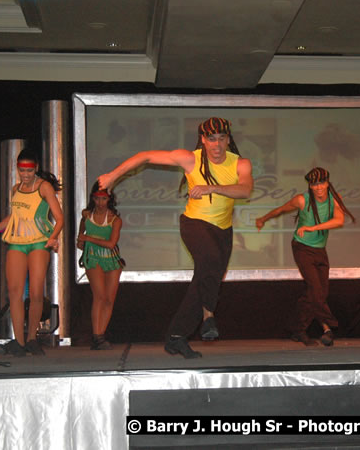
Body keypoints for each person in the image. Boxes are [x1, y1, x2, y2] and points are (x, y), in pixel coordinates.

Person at [98, 117, 253, 359]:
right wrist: (112, 176)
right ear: (203, 140)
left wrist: (212, 188)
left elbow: (245, 189)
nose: (217, 145)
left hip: (222, 230)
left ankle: (177, 336)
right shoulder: (190, 158)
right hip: (194, 224)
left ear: (228, 139)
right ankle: (208, 316)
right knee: (210, 263)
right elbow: (145, 156)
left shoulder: (240, 164)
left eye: (222, 139)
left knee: (205, 278)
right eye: (211, 139)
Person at [255, 167, 356, 347]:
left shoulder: (334, 199)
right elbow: (280, 209)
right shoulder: (302, 200)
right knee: (315, 288)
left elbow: (339, 220)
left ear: (327, 183)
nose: (318, 188)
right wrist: (263, 218)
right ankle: (330, 325)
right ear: (310, 185)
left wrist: (312, 228)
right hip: (302, 248)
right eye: (314, 184)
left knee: (318, 292)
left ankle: (298, 329)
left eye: (321, 183)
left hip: (319, 250)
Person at [0, 149, 64, 357]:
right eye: (21, 170)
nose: (24, 174)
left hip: (38, 242)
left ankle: (32, 339)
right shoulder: (16, 188)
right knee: (15, 292)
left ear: (35, 169)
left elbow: (59, 218)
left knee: (36, 292)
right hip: (17, 241)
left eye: (28, 170)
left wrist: (53, 237)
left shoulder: (43, 187)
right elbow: (13, 217)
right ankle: (18, 341)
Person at [77, 182, 124, 350]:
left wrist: (88, 239)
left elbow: (112, 243)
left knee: (109, 299)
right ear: (93, 199)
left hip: (111, 258)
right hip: (93, 257)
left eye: (103, 199)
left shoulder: (114, 219)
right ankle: (96, 335)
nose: (100, 202)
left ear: (109, 199)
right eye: (97, 199)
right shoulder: (87, 215)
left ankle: (100, 335)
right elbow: (81, 234)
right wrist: (81, 239)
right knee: (100, 295)